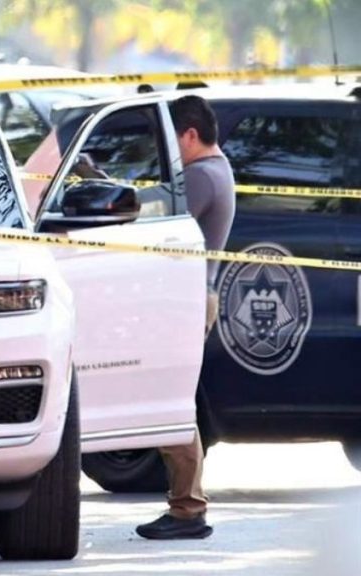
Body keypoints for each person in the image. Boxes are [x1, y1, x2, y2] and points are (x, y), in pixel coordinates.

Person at [136, 95, 235, 540]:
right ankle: (185, 506)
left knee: (172, 403)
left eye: (172, 139)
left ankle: (188, 509)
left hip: (185, 301)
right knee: (173, 400)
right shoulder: (217, 170)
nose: (171, 152)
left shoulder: (201, 177)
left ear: (190, 135)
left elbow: (150, 218)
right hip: (191, 298)